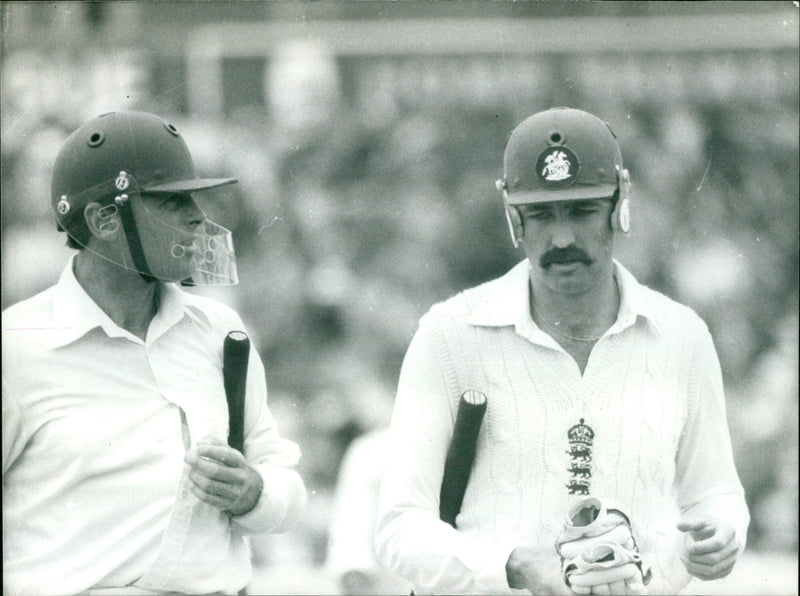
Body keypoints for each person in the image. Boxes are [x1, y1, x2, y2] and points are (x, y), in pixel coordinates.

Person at [375, 107, 749, 595]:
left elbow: (715, 494)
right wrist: (515, 566)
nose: (562, 238)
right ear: (514, 217)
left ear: (620, 204)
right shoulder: (448, 336)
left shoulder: (682, 336)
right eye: (541, 214)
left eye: (582, 210)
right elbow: (400, 528)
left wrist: (721, 536)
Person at [2, 111, 306, 595]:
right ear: (102, 220)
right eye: (170, 200)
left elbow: (286, 487)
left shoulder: (219, 330)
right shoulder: (16, 346)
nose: (198, 217)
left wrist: (253, 492)